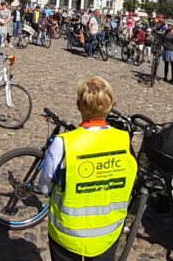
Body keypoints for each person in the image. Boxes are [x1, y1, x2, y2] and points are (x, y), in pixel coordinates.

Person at [37, 76, 136, 261]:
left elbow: (44, 185)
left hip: (67, 234)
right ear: (112, 105)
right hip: (107, 233)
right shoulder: (124, 140)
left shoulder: (63, 143)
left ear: (78, 105)